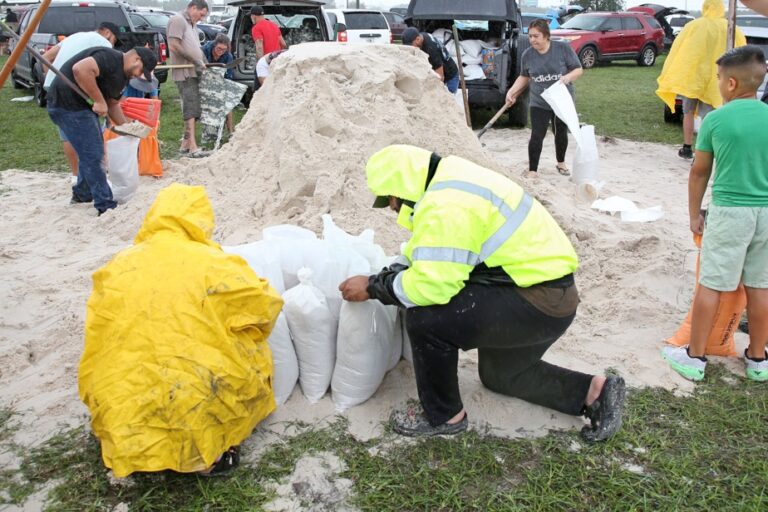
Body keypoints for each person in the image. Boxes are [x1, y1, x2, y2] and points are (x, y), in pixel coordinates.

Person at [338, 144, 626, 440]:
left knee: (425, 319)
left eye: (391, 200)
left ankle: (444, 417)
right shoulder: (451, 181)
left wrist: (374, 287)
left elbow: (431, 287)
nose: (392, 208)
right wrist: (392, 271)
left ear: (401, 189)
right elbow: (428, 252)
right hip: (549, 295)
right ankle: (595, 391)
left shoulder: (445, 206)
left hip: (538, 301)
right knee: (500, 375)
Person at [662, 46, 768, 383]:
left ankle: (694, 356)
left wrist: (695, 214)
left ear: (732, 83)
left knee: (711, 283)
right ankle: (757, 358)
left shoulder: (716, 119)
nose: (719, 84)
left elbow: (699, 172)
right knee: (760, 286)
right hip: (765, 213)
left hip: (729, 212)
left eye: (720, 79)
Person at [47, 46, 157, 215]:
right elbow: (81, 69)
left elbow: (113, 105)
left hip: (81, 108)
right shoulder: (109, 58)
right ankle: (105, 205)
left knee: (90, 150)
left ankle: (82, 194)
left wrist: (129, 128)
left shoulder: (123, 77)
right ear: (136, 59)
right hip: (67, 104)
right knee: (94, 153)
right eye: (141, 71)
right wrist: (99, 100)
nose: (138, 75)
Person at [656, 0, 746, 160]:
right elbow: (741, 50)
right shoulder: (730, 28)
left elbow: (679, 48)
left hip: (693, 79)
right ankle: (702, 151)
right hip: (715, 80)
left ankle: (687, 147)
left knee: (688, 112)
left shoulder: (693, 26)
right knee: (708, 117)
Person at [40, 22, 120, 182]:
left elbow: (46, 57)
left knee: (67, 133)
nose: (112, 45)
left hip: (54, 86)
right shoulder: (104, 44)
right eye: (114, 40)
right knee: (90, 133)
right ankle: (94, 174)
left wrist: (51, 80)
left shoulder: (74, 37)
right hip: (73, 89)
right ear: (108, 33)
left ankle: (76, 175)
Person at [505, 19, 582, 178]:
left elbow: (578, 69)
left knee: (560, 132)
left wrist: (567, 77)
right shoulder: (528, 54)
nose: (532, 40)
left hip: (561, 100)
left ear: (546, 35)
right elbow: (524, 76)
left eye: (536, 36)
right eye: (530, 36)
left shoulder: (562, 48)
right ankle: (533, 170)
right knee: (537, 134)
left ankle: (561, 163)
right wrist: (512, 92)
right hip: (539, 101)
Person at [168, 0, 209, 157]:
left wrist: (203, 61)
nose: (201, 18)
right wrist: (194, 61)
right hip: (184, 72)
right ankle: (192, 147)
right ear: (193, 8)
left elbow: (195, 48)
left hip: (193, 71)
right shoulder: (177, 20)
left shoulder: (192, 24)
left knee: (195, 107)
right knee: (191, 108)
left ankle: (185, 144)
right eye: (201, 14)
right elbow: (174, 46)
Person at [401, 27, 459, 93]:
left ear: (418, 39)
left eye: (411, 45)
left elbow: (440, 76)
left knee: (447, 100)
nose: (411, 48)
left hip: (450, 76)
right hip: (439, 69)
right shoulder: (422, 36)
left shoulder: (431, 50)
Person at [202, 32, 235, 132]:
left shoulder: (228, 56)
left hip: (220, 80)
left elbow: (229, 75)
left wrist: (224, 88)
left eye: (224, 49)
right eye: (219, 48)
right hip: (202, 78)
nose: (221, 51)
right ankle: (209, 130)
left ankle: (231, 131)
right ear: (214, 45)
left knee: (227, 104)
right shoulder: (204, 50)